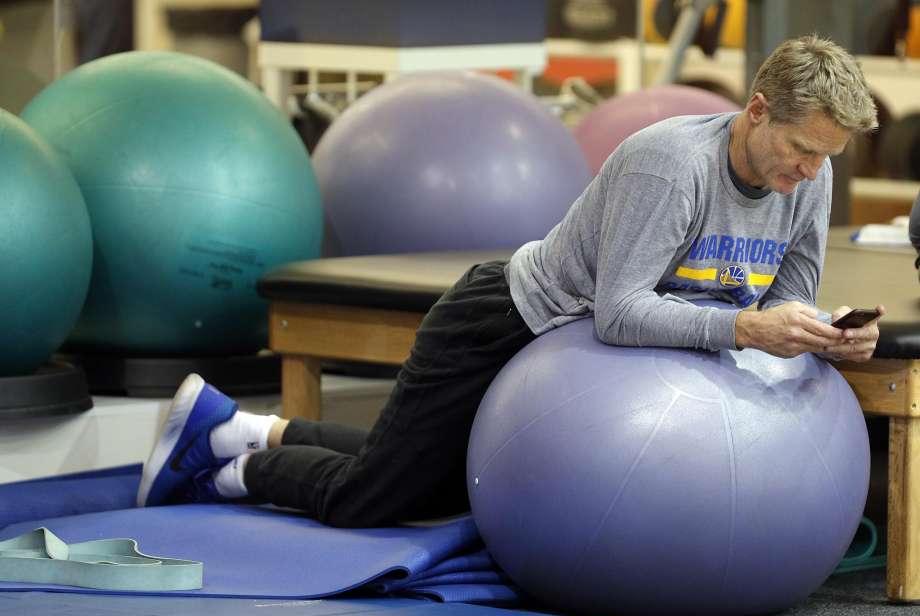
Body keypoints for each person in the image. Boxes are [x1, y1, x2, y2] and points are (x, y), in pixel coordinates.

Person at [137, 35, 884, 527]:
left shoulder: (808, 180)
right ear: (757, 111)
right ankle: (231, 470)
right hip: (505, 323)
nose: (810, 175)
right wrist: (748, 328)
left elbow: (787, 289)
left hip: (584, 367)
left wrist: (821, 329)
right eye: (801, 149)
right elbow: (620, 314)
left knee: (438, 484)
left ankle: (241, 423)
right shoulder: (673, 166)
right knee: (370, 498)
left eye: (828, 158)